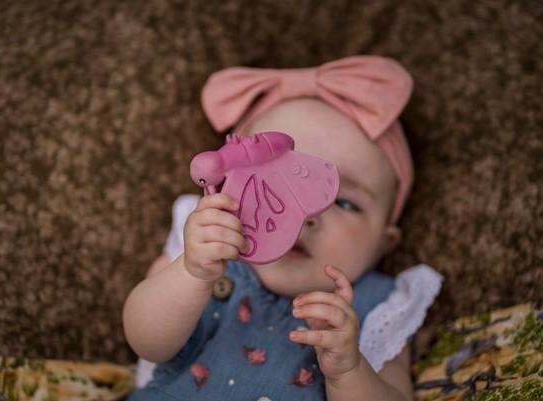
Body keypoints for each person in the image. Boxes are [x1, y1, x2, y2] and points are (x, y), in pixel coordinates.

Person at [122, 55, 443, 401]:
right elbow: (145, 341)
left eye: (344, 202)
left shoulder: (378, 310)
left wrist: (350, 372)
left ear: (384, 243)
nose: (304, 214)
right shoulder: (203, 253)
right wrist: (191, 274)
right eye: (273, 182)